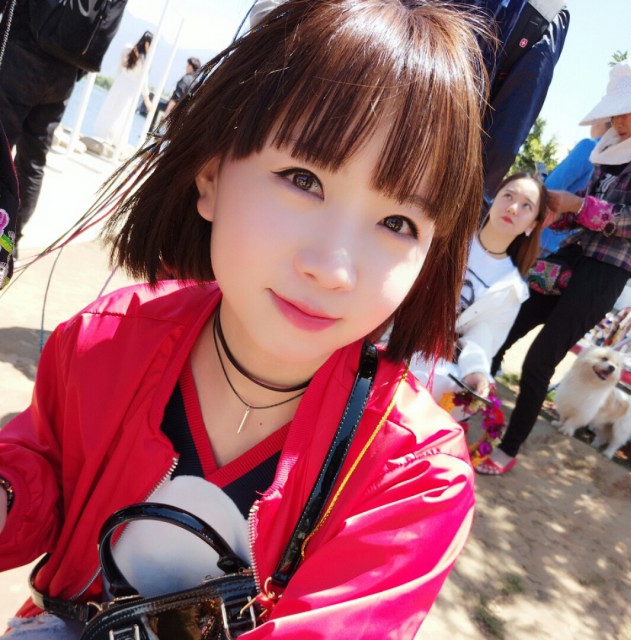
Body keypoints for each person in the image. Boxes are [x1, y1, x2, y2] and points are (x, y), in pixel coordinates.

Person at [0, 1, 491, 637]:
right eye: (303, 180)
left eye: (397, 222)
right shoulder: (108, 337)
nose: (333, 269)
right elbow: (45, 466)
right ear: (210, 176)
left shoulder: (413, 474)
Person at [482, 56, 631, 476]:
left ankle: (508, 448)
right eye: (614, 110)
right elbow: (583, 213)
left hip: (605, 274)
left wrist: (579, 207)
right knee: (502, 330)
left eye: (626, 109)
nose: (617, 119)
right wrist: (558, 212)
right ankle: (472, 407)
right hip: (569, 258)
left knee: (539, 361)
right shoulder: (609, 150)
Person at [411, 173, 547, 416]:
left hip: (429, 365)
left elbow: (482, 341)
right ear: (494, 199)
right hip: (392, 333)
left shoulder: (512, 289)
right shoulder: (448, 236)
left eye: (527, 206)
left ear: (532, 225)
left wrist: (475, 371)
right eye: (508, 196)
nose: (513, 208)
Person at [0, 1, 82, 249]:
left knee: (2, 147)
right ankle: (9, 241)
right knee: (33, 163)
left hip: (20, 58)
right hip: (63, 77)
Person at [539, 121, 610, 256]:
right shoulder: (620, 162)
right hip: (567, 245)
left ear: (601, 121)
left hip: (542, 235)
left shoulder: (590, 147)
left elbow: (550, 187)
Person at [93, 31, 153, 147]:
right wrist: (147, 99)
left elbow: (119, 68)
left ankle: (106, 135)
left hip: (120, 82)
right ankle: (112, 138)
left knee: (112, 107)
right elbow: (144, 82)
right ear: (147, 44)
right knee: (122, 113)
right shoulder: (144, 60)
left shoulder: (127, 49)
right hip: (131, 88)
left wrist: (117, 80)